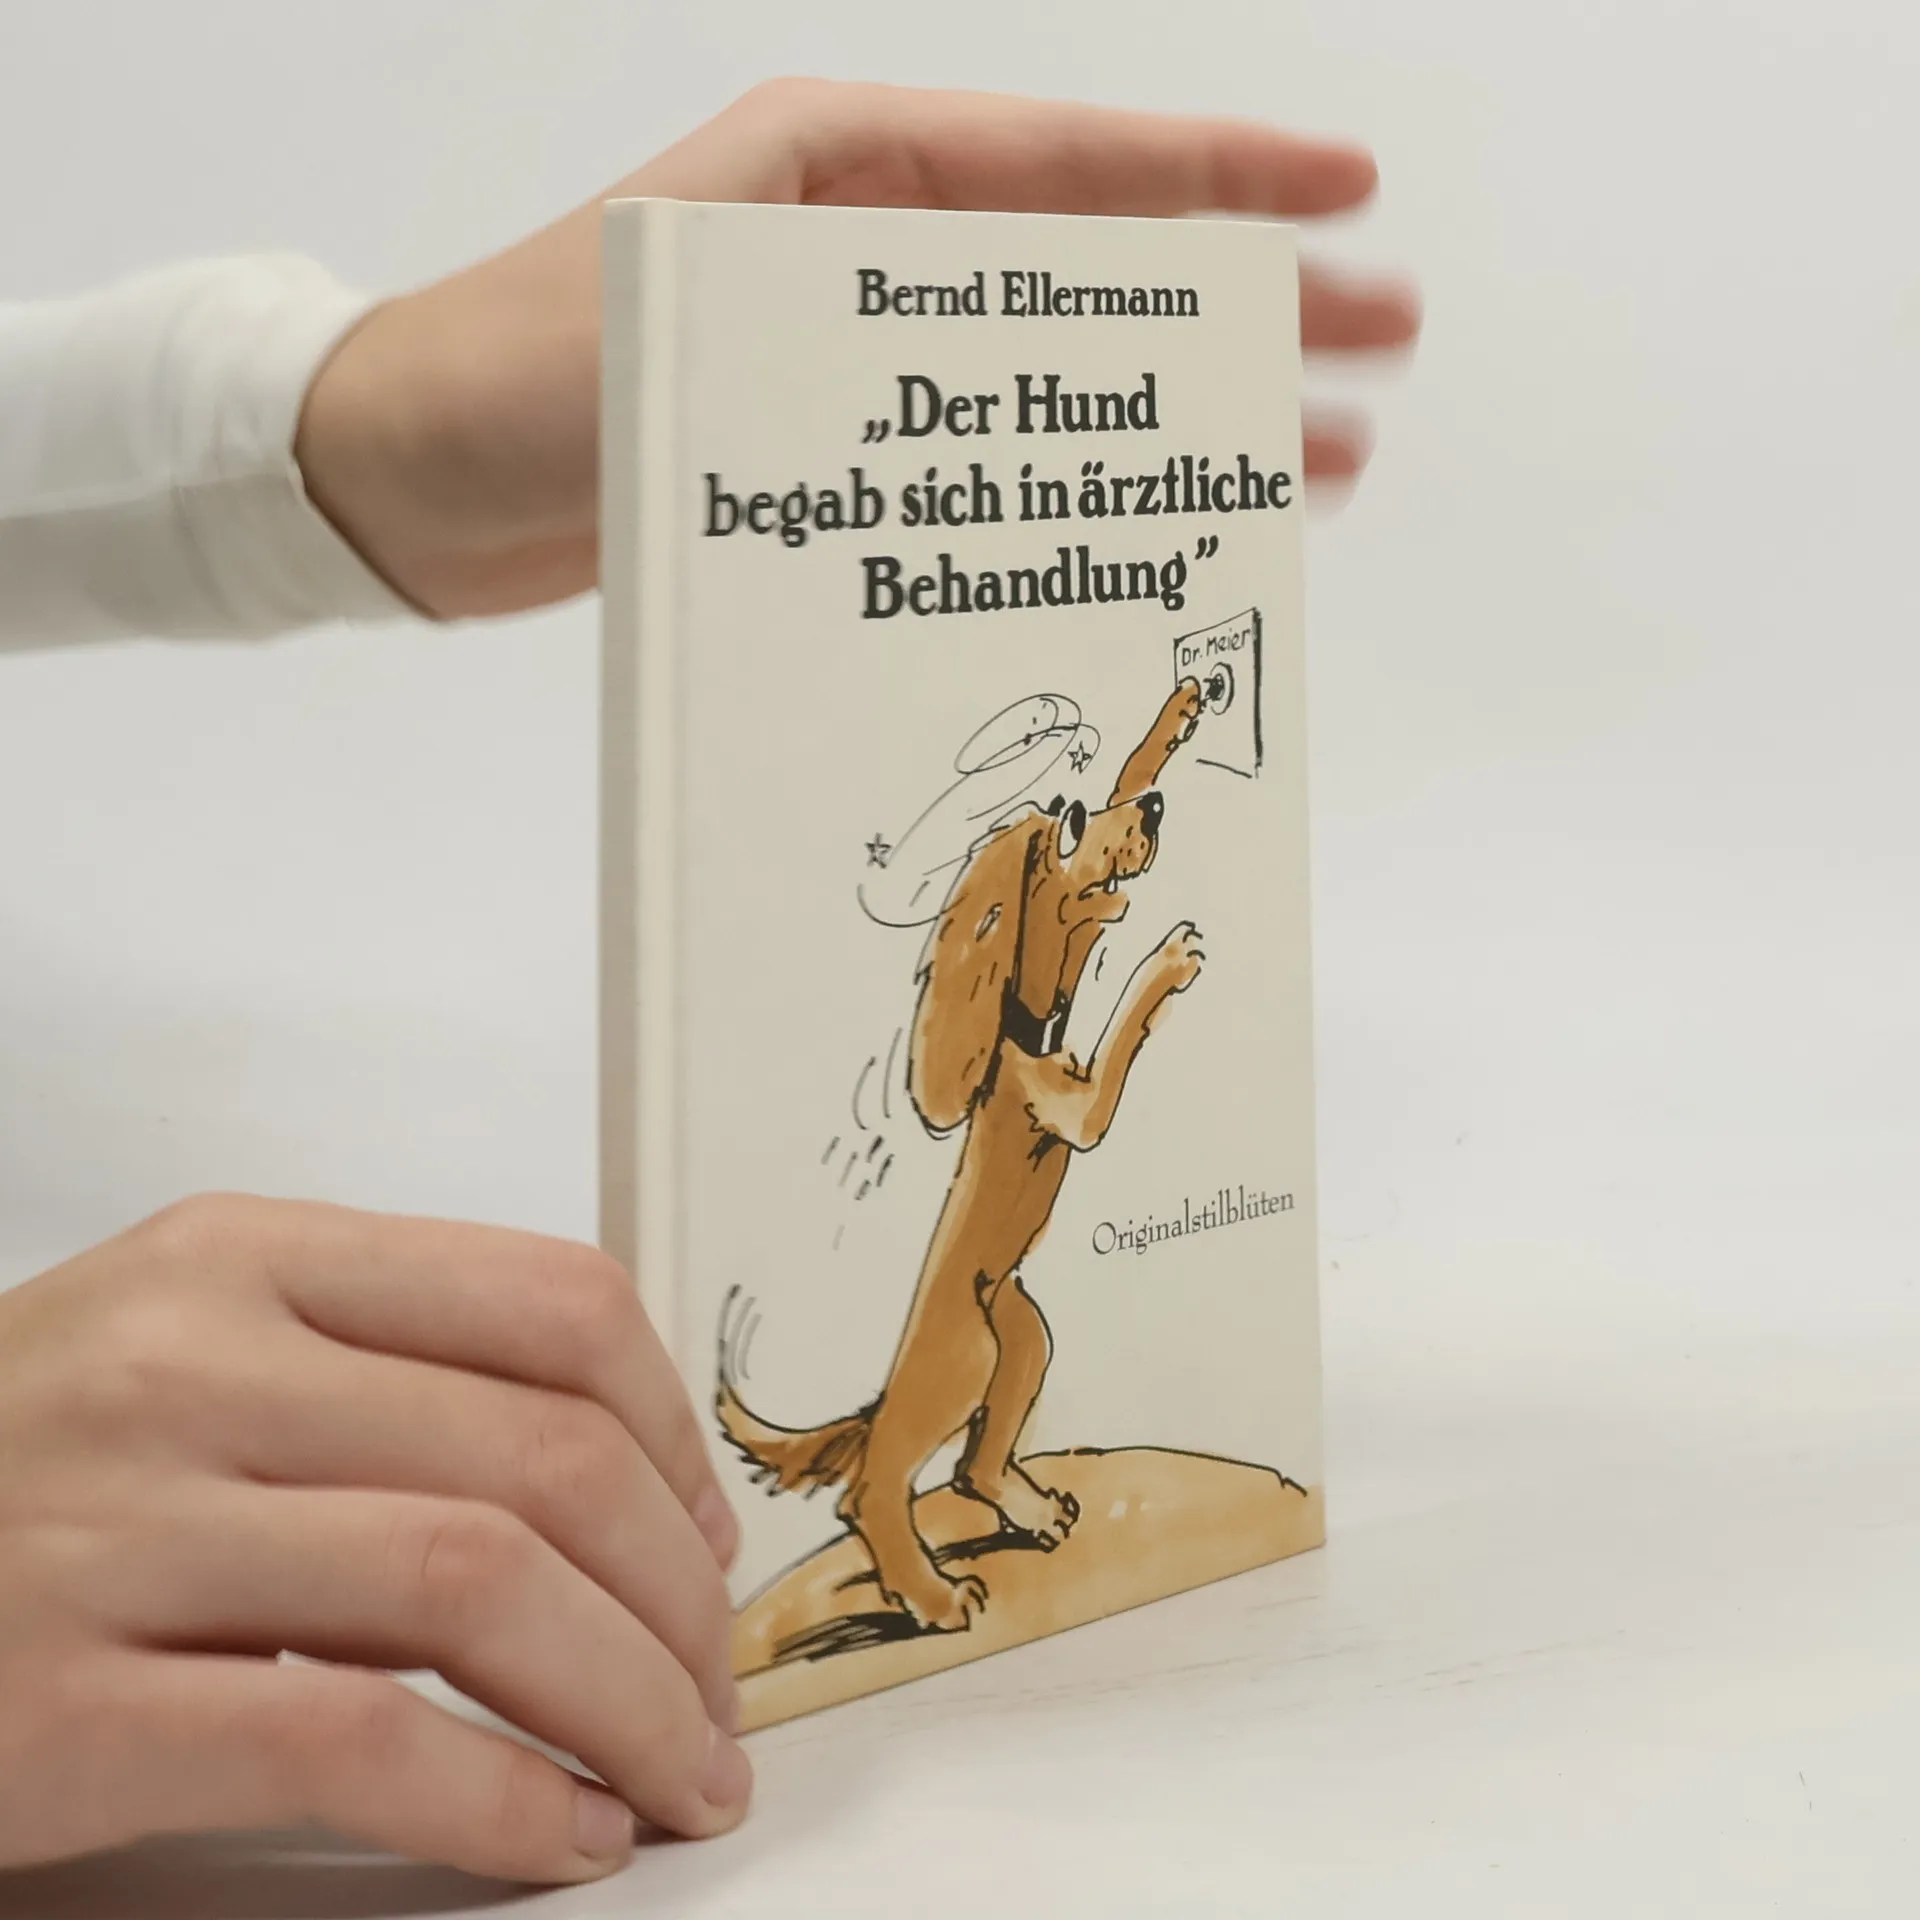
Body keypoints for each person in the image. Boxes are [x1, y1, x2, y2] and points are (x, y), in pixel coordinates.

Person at [0, 80, 1420, 1885]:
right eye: (1082, 857)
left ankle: (982, 1477)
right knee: (934, 1394)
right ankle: (902, 1522)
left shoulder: (1049, 929)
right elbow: (1080, 1088)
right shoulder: (1024, 1044)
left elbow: (1114, 828)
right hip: (978, 1240)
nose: (1116, 851)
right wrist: (1153, 986)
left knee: (1022, 1350)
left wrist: (333, 422)